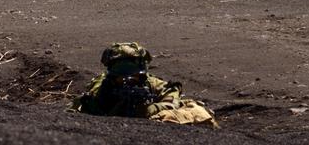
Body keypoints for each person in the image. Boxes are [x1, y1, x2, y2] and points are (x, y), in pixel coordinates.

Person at [70, 42, 218, 128]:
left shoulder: (152, 83)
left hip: (151, 116)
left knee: (194, 109)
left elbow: (172, 97)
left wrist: (151, 109)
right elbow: (88, 103)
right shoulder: (102, 84)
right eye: (121, 73)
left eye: (134, 73)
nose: (127, 78)